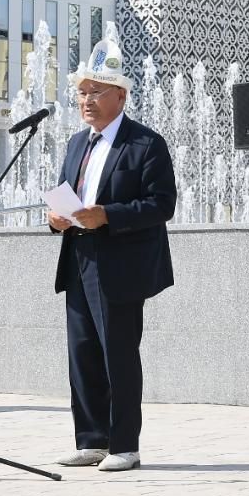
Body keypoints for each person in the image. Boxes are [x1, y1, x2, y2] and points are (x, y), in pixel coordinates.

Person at [47, 38, 176, 472]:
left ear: (121, 96)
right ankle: (92, 439)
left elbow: (162, 205)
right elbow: (68, 196)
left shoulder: (146, 144)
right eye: (82, 93)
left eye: (96, 91)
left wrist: (108, 216)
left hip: (120, 263)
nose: (87, 100)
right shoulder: (75, 145)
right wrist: (55, 219)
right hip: (78, 256)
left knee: (118, 352)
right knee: (82, 351)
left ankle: (125, 445)